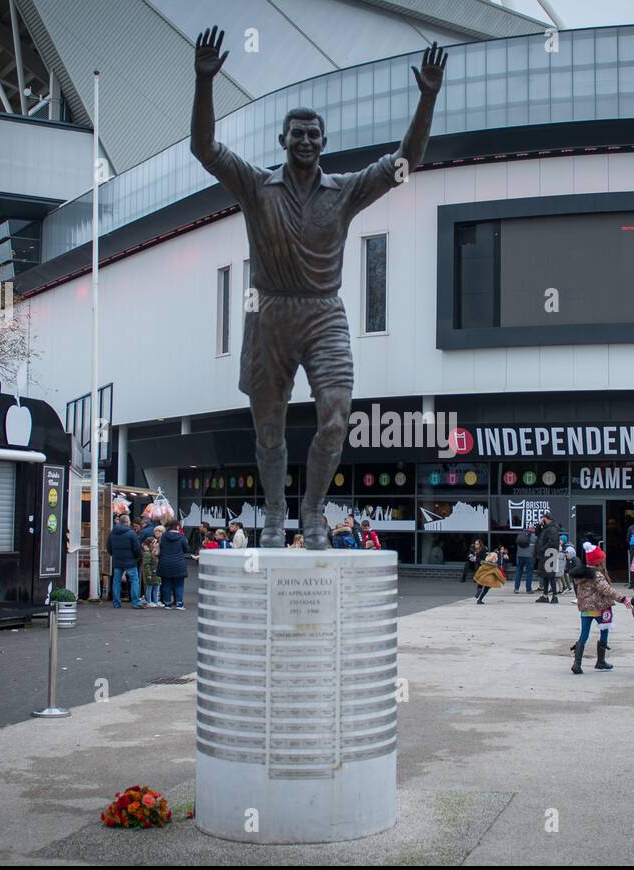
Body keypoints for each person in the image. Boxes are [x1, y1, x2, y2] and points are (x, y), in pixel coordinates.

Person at [192, 26, 446, 549]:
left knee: (335, 416)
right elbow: (204, 147)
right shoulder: (255, 184)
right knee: (268, 429)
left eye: (314, 134)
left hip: (324, 312)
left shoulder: (345, 191)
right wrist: (204, 84)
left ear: (324, 142)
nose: (305, 141)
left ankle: (311, 513)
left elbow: (406, 163)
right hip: (267, 313)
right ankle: (272, 513)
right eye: (297, 133)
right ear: (283, 140)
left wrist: (428, 98)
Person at [567, 541, 629, 674]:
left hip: (585, 608)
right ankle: (600, 661)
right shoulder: (597, 575)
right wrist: (622, 599)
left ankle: (577, 664)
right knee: (604, 630)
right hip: (599, 608)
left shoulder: (581, 573)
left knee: (584, 634)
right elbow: (606, 590)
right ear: (598, 561)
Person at [106, 515, 145, 609]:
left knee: (116, 581)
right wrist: (137, 557)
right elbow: (136, 548)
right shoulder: (131, 533)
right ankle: (135, 602)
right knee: (134, 581)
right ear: (127, 522)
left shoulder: (112, 533)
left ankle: (116, 602)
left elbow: (109, 547)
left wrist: (113, 555)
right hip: (130, 561)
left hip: (117, 560)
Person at [157, 519, 190, 610]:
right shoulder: (181, 537)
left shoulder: (163, 536)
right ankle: (179, 604)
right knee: (179, 584)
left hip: (165, 563)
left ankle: (167, 603)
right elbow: (187, 549)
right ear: (178, 526)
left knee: (166, 584)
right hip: (178, 563)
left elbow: (161, 547)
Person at [534, 512, 561, 604]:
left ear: (546, 518)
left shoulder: (552, 529)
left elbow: (552, 543)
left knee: (550, 576)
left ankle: (555, 596)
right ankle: (545, 596)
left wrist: (542, 549)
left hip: (550, 554)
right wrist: (539, 524)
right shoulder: (545, 528)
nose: (541, 519)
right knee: (545, 575)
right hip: (545, 555)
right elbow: (537, 533)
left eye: (542, 518)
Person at [141, 533, 163, 608]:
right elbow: (146, 565)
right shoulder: (147, 553)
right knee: (149, 588)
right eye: (154, 542)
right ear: (150, 544)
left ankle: (156, 601)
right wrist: (149, 574)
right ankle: (149, 601)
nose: (156, 544)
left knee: (156, 588)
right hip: (151, 573)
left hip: (156, 572)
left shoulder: (154, 552)